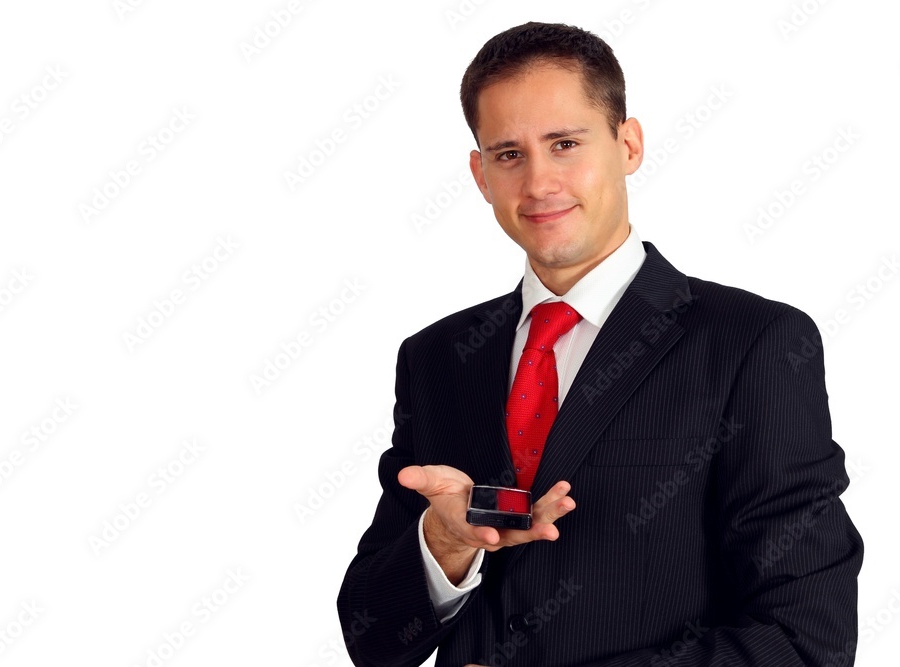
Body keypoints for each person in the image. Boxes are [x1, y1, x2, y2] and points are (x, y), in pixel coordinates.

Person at [337, 21, 862, 667]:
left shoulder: (753, 343)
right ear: (480, 174)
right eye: (509, 154)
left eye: (564, 144)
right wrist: (444, 545)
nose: (538, 183)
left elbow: (806, 641)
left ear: (628, 144)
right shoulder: (438, 357)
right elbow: (372, 640)